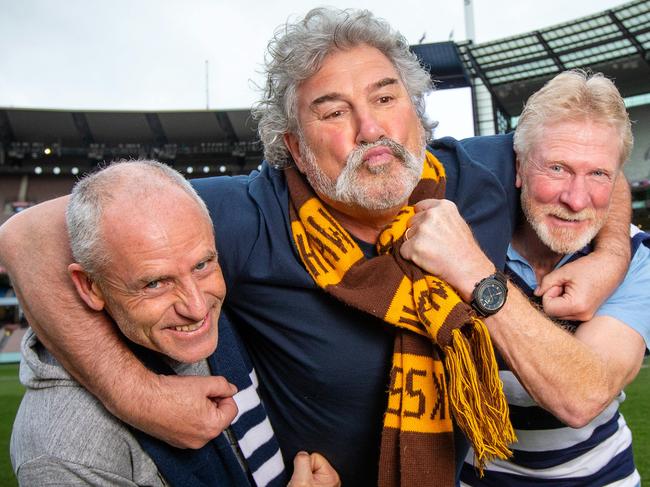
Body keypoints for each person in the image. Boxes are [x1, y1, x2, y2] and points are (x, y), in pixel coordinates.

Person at [0, 8, 632, 486]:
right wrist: (138, 397)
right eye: (333, 112)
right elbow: (25, 236)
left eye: (386, 98)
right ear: (294, 146)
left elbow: (589, 166)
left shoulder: (474, 175)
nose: (371, 128)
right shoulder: (251, 213)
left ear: (415, 108)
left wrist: (608, 257)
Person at [10, 161, 340, 487]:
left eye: (202, 264)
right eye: (155, 283)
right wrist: (138, 396)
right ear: (89, 286)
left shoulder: (209, 307)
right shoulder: (65, 450)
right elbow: (21, 234)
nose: (197, 308)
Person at [401, 71, 649, 485]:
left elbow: (583, 395)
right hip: (475, 475)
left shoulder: (636, 257)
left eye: (599, 175)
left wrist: (473, 272)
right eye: (556, 168)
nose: (575, 198)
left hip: (602, 477)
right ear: (518, 167)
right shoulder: (464, 220)